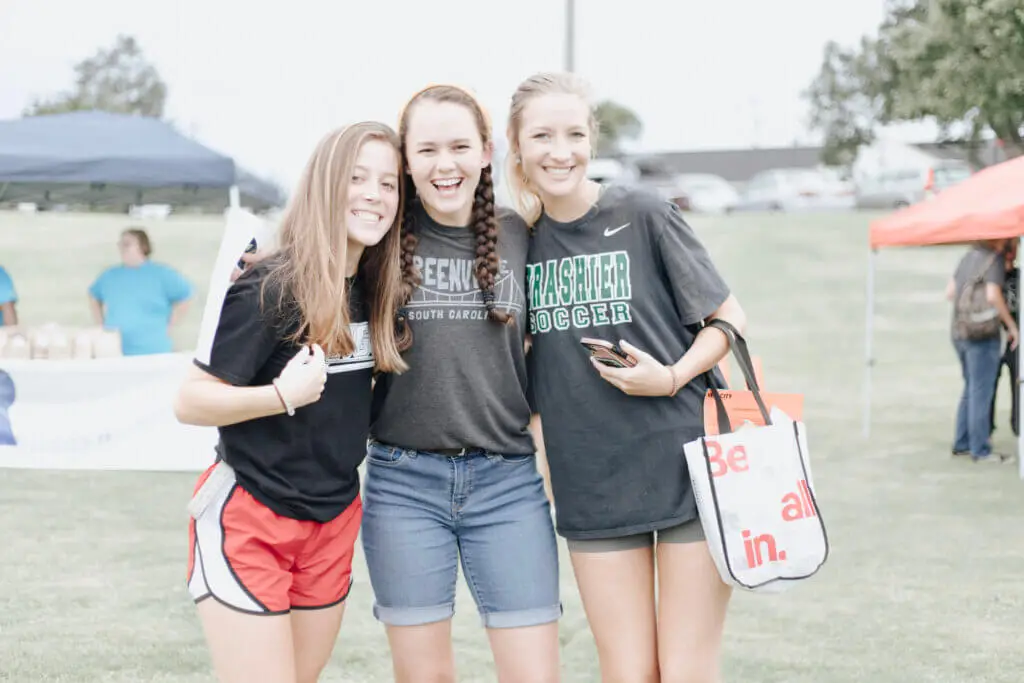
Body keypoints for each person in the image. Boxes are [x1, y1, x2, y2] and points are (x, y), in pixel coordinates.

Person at [505, 71, 747, 683]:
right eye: (542, 136)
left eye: (575, 134)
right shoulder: (520, 246)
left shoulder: (642, 212)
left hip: (690, 466)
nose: (561, 151)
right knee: (629, 671)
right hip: (591, 482)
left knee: (687, 669)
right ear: (517, 147)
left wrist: (671, 376)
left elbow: (728, 321)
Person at [172, 121, 408, 683]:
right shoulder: (273, 284)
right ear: (326, 184)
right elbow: (191, 401)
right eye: (358, 178)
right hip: (250, 515)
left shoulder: (377, 293)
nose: (375, 195)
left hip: (332, 520)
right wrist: (281, 396)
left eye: (389, 183)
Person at [363, 84, 562, 683]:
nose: (443, 164)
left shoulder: (523, 233)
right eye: (426, 150)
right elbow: (309, 264)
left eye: (458, 146)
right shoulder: (380, 237)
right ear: (405, 159)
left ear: (486, 151)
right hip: (403, 484)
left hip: (507, 484)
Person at [945, 239, 1017, 463]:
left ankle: (962, 442)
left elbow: (950, 292)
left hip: (960, 331)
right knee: (981, 392)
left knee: (970, 388)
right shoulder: (993, 260)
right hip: (982, 335)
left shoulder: (968, 257)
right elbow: (993, 295)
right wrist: (1011, 326)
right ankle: (980, 448)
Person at [88, 228, 193, 355]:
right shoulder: (110, 275)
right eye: (120, 244)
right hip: (116, 349)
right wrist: (101, 325)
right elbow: (94, 296)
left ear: (143, 246)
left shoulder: (162, 274)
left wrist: (171, 324)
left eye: (127, 244)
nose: (122, 248)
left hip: (153, 348)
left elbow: (185, 296)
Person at [990, 240, 1019, 439]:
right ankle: (985, 429)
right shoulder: (991, 276)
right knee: (988, 384)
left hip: (1016, 341)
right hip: (994, 336)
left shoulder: (1019, 276)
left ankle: (1018, 424)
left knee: (1018, 384)